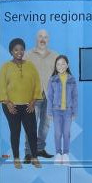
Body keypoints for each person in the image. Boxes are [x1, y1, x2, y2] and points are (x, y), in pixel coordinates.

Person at [0, 38, 42, 169]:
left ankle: (35, 157)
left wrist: (34, 101)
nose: (19, 52)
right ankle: (16, 158)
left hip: (28, 105)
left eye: (21, 49)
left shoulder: (30, 66)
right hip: (11, 106)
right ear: (11, 51)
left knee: (32, 132)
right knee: (15, 131)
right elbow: (2, 87)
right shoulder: (5, 67)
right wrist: (8, 103)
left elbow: (37, 85)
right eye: (16, 49)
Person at [24, 29, 58, 161]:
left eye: (45, 37)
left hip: (50, 95)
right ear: (36, 39)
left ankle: (39, 149)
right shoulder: (28, 55)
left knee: (45, 124)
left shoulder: (55, 55)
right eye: (40, 36)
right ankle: (28, 152)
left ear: (48, 40)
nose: (43, 39)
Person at [46, 55, 78, 164]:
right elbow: (49, 96)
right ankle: (58, 153)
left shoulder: (72, 79)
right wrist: (49, 111)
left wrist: (74, 111)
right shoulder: (52, 79)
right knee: (58, 133)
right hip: (56, 110)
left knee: (66, 132)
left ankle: (66, 154)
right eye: (58, 64)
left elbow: (75, 96)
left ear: (67, 65)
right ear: (55, 66)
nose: (61, 66)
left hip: (68, 110)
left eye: (63, 63)